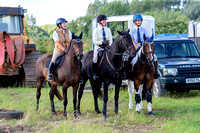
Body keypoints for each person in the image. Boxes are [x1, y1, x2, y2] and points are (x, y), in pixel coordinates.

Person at [130, 14, 160, 79]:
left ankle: (156, 71)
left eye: (140, 21)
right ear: (134, 22)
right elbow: (132, 40)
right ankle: (128, 72)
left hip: (143, 46)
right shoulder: (132, 30)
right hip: (135, 45)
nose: (139, 22)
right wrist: (136, 46)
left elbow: (147, 38)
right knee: (129, 57)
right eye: (137, 21)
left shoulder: (144, 29)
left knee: (154, 57)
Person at [92, 14, 113, 80]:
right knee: (95, 58)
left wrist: (109, 44)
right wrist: (102, 43)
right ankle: (95, 73)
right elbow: (95, 41)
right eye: (103, 20)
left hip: (107, 46)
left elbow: (111, 39)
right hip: (99, 47)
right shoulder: (96, 30)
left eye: (105, 20)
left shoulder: (108, 29)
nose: (104, 22)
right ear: (99, 21)